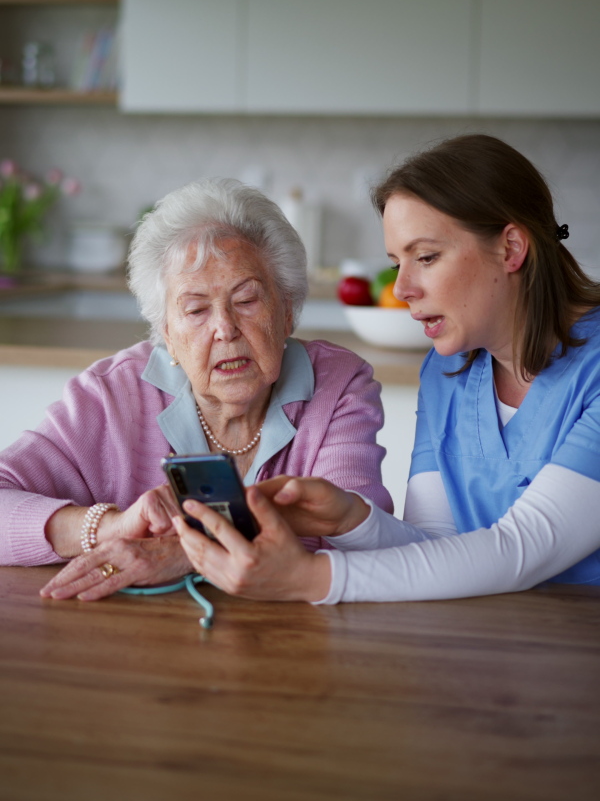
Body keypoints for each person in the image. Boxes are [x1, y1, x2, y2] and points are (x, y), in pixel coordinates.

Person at [170, 134, 600, 603]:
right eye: (397, 262)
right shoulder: (448, 370)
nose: (403, 287)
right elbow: (438, 551)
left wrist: (312, 578)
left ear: (512, 248)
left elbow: (524, 547)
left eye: (427, 257)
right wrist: (351, 520)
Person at [0, 178, 392, 599]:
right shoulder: (111, 395)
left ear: (288, 311)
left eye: (246, 300)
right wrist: (106, 528)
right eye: (196, 309)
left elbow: (361, 533)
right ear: (166, 332)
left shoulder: (338, 386)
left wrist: (182, 550)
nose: (225, 329)